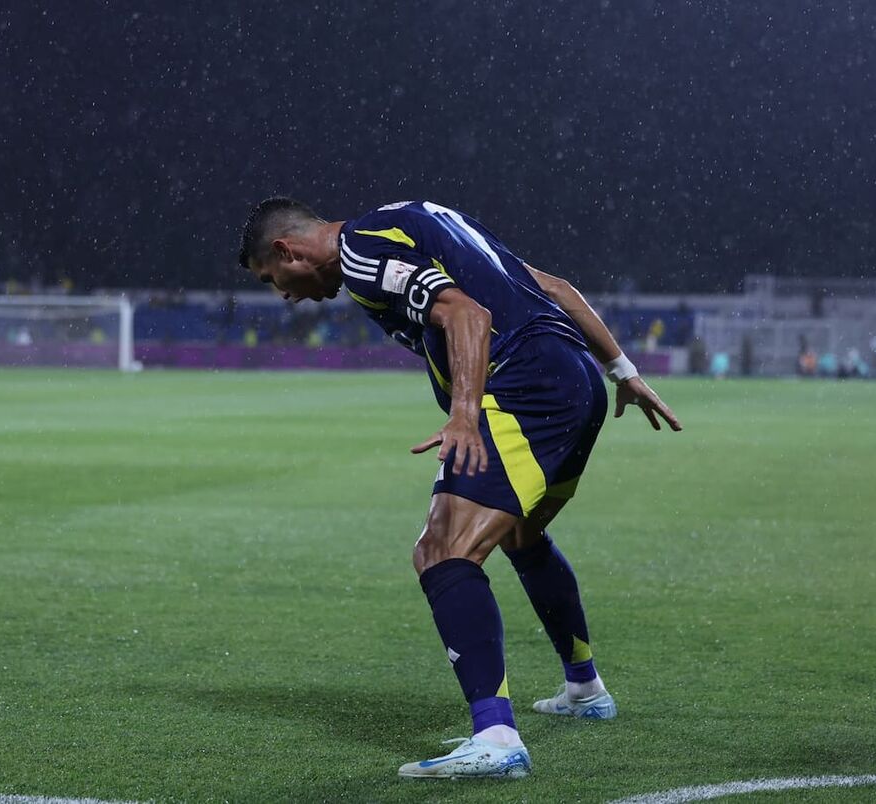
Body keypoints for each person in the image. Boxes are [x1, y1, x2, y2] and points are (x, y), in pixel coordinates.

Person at [237, 198, 682, 780]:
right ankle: (584, 688)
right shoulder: (428, 220)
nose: (287, 295)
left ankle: (496, 738)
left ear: (287, 249)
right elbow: (553, 286)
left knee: (441, 550)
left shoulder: (360, 253)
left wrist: (465, 414)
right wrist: (623, 371)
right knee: (522, 535)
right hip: (572, 378)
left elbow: (466, 315)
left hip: (525, 387)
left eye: (275, 280)